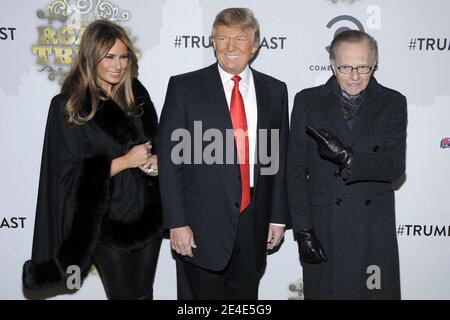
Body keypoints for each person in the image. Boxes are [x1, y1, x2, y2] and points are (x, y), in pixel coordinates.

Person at [22, 20, 162, 300]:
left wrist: (157, 162)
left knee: (145, 295)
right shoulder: (68, 106)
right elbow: (65, 177)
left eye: (123, 57)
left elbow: (156, 144)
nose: (118, 65)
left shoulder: (137, 94)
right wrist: (126, 161)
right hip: (106, 222)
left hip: (147, 217)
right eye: (109, 57)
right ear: (91, 57)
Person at [158, 8, 289, 300]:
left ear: (255, 45)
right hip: (200, 222)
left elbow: (277, 160)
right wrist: (177, 223)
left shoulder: (275, 91)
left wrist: (278, 217)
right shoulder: (184, 87)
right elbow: (170, 163)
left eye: (240, 39)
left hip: (254, 219)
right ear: (213, 42)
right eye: (223, 38)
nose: (231, 47)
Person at [287, 29, 407, 299]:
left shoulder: (393, 103)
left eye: (363, 67)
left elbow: (394, 165)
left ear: (374, 65)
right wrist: (303, 231)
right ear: (332, 64)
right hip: (323, 229)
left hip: (372, 231)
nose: (354, 76)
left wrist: (347, 158)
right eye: (345, 67)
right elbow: (294, 173)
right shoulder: (307, 101)